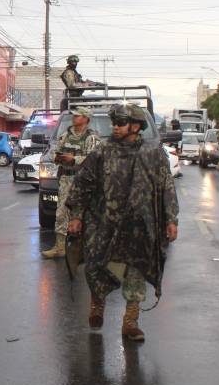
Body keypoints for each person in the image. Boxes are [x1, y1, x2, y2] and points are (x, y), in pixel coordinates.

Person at [66, 104, 178, 343]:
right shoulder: (103, 151)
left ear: (135, 126)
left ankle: (130, 322)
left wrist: (171, 219)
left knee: (136, 270)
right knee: (96, 264)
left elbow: (166, 187)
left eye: (120, 123)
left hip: (140, 224)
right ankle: (97, 303)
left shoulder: (152, 153)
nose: (115, 127)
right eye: (113, 123)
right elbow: (84, 182)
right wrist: (76, 215)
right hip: (104, 221)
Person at [42, 107, 102, 259]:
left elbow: (94, 159)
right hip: (66, 179)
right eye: (74, 115)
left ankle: (86, 248)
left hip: (83, 180)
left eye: (78, 116)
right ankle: (60, 246)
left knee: (84, 214)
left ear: (86, 119)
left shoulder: (92, 138)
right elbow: (54, 152)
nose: (74, 118)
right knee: (62, 212)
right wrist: (58, 157)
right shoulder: (65, 135)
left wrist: (74, 159)